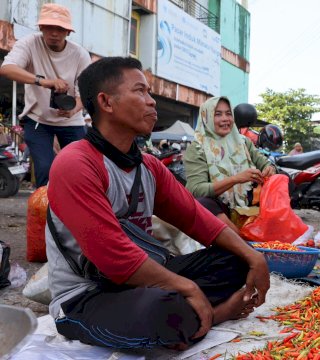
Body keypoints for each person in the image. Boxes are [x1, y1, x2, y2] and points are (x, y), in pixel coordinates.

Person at [46, 57, 269, 350]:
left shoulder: (149, 166)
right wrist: (186, 287)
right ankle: (211, 315)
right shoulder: (76, 163)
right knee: (164, 308)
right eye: (140, 91)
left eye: (150, 92)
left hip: (144, 276)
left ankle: (189, 315)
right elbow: (114, 259)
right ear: (106, 102)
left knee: (235, 258)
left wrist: (255, 258)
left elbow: (196, 219)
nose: (151, 102)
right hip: (88, 294)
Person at [0, 3, 91, 187]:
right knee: (45, 169)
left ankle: (74, 209)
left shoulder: (80, 54)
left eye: (60, 28)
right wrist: (43, 81)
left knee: (82, 169)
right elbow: (7, 68)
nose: (54, 33)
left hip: (71, 122)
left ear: (68, 32)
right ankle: (45, 212)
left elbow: (86, 92)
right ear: (41, 27)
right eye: (49, 27)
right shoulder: (30, 43)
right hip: (38, 120)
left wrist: (74, 109)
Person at [184, 97, 277, 234]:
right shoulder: (198, 148)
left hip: (248, 203)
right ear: (206, 117)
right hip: (220, 211)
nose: (225, 119)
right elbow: (196, 189)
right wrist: (235, 179)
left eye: (228, 114)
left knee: (283, 180)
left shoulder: (243, 142)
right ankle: (242, 242)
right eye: (218, 114)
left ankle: (262, 236)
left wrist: (269, 169)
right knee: (203, 204)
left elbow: (264, 163)